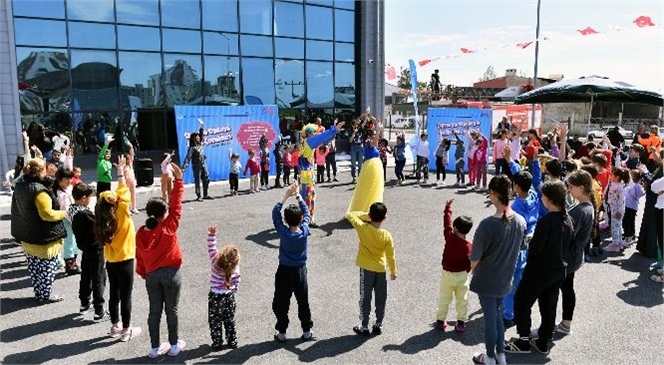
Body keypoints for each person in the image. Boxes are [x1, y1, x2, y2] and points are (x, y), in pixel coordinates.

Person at [506, 180, 572, 356]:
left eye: (543, 195)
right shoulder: (568, 220)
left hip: (538, 271)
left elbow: (535, 249)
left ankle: (524, 341)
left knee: (521, 302)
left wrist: (531, 239)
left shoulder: (546, 222)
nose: (541, 197)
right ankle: (543, 341)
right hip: (558, 271)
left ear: (549, 199)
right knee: (549, 306)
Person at [470, 175, 526, 365]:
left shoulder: (487, 225)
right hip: (506, 278)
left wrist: (473, 270)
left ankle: (490, 357)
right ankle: (500, 354)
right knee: (498, 316)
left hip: (487, 279)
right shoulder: (520, 221)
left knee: (490, 319)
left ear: (493, 194)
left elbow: (474, 259)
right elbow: (522, 247)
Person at [136, 162, 185, 358]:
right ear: (163, 214)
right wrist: (178, 179)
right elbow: (176, 205)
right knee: (172, 310)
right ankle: (173, 345)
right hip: (171, 272)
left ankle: (154, 348)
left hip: (151, 276)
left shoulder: (141, 232)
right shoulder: (169, 226)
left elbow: (139, 255)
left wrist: (143, 272)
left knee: (154, 311)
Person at [95, 155, 142, 342]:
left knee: (113, 294)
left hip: (111, 261)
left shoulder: (100, 219)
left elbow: (121, 195)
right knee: (126, 296)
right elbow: (125, 193)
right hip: (126, 258)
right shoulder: (121, 212)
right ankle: (126, 330)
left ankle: (115, 326)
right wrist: (121, 172)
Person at [11, 158, 67, 304]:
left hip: (27, 234)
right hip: (42, 237)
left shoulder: (21, 184)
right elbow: (47, 214)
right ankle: (46, 295)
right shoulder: (39, 191)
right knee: (47, 269)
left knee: (35, 268)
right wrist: (63, 213)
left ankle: (39, 293)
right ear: (40, 171)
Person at [502, 145, 541, 328]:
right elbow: (523, 175)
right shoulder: (533, 193)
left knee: (509, 283)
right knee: (518, 282)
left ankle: (508, 314)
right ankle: (516, 310)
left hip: (516, 247)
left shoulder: (515, 207)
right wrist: (511, 161)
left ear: (516, 187)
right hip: (529, 247)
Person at [346, 202, 397, 336]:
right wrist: (393, 271)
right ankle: (378, 323)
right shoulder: (386, 236)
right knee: (381, 297)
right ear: (384, 218)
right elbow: (391, 256)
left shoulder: (363, 228)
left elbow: (350, 215)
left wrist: (366, 216)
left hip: (366, 268)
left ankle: (364, 325)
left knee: (365, 297)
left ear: (370, 216)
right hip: (380, 269)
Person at [271, 182, 314, 342]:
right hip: (300, 271)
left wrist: (286, 195)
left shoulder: (283, 232)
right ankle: (307, 330)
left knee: (281, 301)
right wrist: (298, 195)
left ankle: (282, 332)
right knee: (303, 300)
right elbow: (307, 213)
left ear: (285, 220)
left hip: (284, 270)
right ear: (300, 219)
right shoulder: (304, 230)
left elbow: (275, 214)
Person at [556, 170, 595, 335]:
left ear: (580, 187)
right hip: (575, 255)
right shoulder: (587, 206)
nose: (569, 189)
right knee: (567, 289)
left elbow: (566, 234)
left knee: (564, 289)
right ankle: (566, 322)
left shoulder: (580, 211)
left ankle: (565, 323)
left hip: (568, 257)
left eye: (571, 186)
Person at [69, 182, 107, 321]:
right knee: (98, 277)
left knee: (86, 275)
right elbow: (99, 224)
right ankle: (99, 310)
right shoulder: (84, 213)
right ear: (84, 198)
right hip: (95, 247)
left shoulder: (72, 209)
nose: (90, 199)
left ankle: (84, 303)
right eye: (89, 197)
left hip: (85, 246)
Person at [434, 198, 472, 333]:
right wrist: (468, 270)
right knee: (462, 300)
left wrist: (447, 208)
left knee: (445, 297)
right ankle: (461, 322)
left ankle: (440, 321)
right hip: (462, 276)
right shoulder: (469, 247)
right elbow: (471, 262)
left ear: (455, 228)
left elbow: (446, 224)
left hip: (448, 274)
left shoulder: (449, 238)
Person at [297, 120, 344, 226]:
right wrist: (334, 130)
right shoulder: (309, 142)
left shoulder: (305, 142)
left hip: (306, 174)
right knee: (306, 197)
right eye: (314, 132)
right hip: (306, 175)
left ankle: (309, 218)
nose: (316, 134)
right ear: (310, 133)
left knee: (310, 196)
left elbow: (321, 137)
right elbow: (321, 137)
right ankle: (304, 221)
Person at [206, 226, 241, 350]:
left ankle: (217, 342)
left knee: (215, 321)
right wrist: (233, 289)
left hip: (215, 296)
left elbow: (211, 247)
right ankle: (232, 341)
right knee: (229, 320)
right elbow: (236, 282)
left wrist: (212, 234)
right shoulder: (234, 269)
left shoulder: (215, 260)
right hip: (229, 296)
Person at [53, 167, 81, 275]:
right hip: (66, 220)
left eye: (70, 179)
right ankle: (70, 266)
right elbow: (65, 210)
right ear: (59, 179)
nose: (69, 181)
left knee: (74, 242)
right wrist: (75, 222)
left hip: (72, 219)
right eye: (66, 179)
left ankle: (73, 263)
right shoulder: (59, 194)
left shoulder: (68, 188)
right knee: (69, 242)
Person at [348, 132, 384, 213]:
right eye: (373, 134)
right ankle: (367, 208)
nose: (375, 136)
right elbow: (375, 140)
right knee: (370, 187)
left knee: (373, 187)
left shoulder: (371, 143)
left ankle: (372, 208)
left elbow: (376, 141)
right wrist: (377, 128)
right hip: (371, 166)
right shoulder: (368, 142)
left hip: (373, 166)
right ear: (369, 136)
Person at [182, 119, 211, 201]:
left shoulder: (200, 144)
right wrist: (183, 168)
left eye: (198, 136)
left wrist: (202, 125)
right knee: (197, 180)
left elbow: (202, 134)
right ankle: (199, 195)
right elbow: (188, 158)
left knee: (206, 178)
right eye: (196, 136)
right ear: (193, 138)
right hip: (196, 166)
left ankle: (206, 194)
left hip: (203, 164)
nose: (198, 137)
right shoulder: (192, 148)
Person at [604, 168, 630, 252]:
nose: (610, 176)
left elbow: (621, 200)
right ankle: (618, 242)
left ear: (617, 177)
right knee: (618, 226)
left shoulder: (618, 186)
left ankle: (615, 244)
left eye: (612, 175)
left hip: (617, 210)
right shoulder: (616, 184)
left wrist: (620, 211)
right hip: (614, 208)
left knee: (615, 226)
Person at [623, 169, 645, 245]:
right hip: (631, 206)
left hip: (630, 206)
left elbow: (641, 193)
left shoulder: (635, 186)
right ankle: (631, 235)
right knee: (631, 221)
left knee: (627, 222)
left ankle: (628, 237)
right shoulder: (633, 185)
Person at [124, 146, 138, 214]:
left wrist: (131, 147)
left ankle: (134, 207)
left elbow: (132, 154)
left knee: (133, 194)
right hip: (126, 182)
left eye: (129, 159)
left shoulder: (130, 164)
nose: (129, 160)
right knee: (127, 196)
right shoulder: (123, 166)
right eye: (127, 159)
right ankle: (127, 208)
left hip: (132, 181)